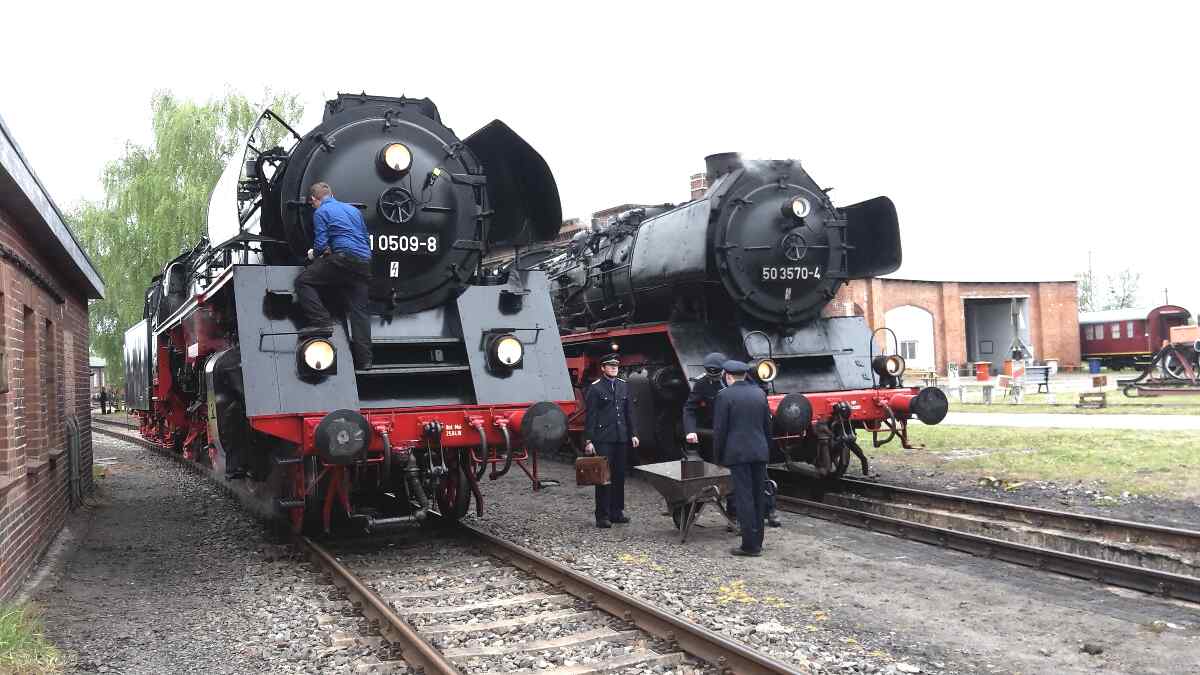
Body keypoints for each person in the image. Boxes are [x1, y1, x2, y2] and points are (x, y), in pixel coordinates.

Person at [294, 182, 374, 370]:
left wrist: (313, 255)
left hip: (342, 260)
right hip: (363, 262)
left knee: (303, 281)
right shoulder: (353, 211)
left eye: (312, 203)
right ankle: (365, 361)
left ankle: (321, 321)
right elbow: (364, 238)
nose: (313, 206)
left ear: (314, 199)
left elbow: (321, 244)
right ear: (332, 194)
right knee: (360, 313)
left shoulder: (321, 212)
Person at [712, 360, 772, 557]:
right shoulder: (759, 393)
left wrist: (718, 456)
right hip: (759, 452)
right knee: (758, 496)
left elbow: (720, 430)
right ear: (745, 375)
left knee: (744, 498)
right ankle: (758, 541)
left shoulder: (724, 396)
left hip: (738, 454)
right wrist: (767, 450)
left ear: (728, 376)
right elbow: (767, 426)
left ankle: (749, 546)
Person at [582, 353, 640, 528]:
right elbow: (591, 416)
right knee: (603, 477)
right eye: (610, 366)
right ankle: (602, 516)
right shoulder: (595, 388)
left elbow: (629, 412)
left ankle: (616, 512)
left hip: (621, 437)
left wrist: (633, 434)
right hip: (603, 439)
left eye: (616, 366)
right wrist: (589, 440)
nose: (614, 368)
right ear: (603, 368)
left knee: (619, 476)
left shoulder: (623, 386)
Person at [682, 352, 726, 462]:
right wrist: (690, 430)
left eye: (717, 376)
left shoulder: (734, 377)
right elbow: (689, 408)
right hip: (715, 429)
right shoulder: (702, 383)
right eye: (711, 376)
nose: (714, 379)